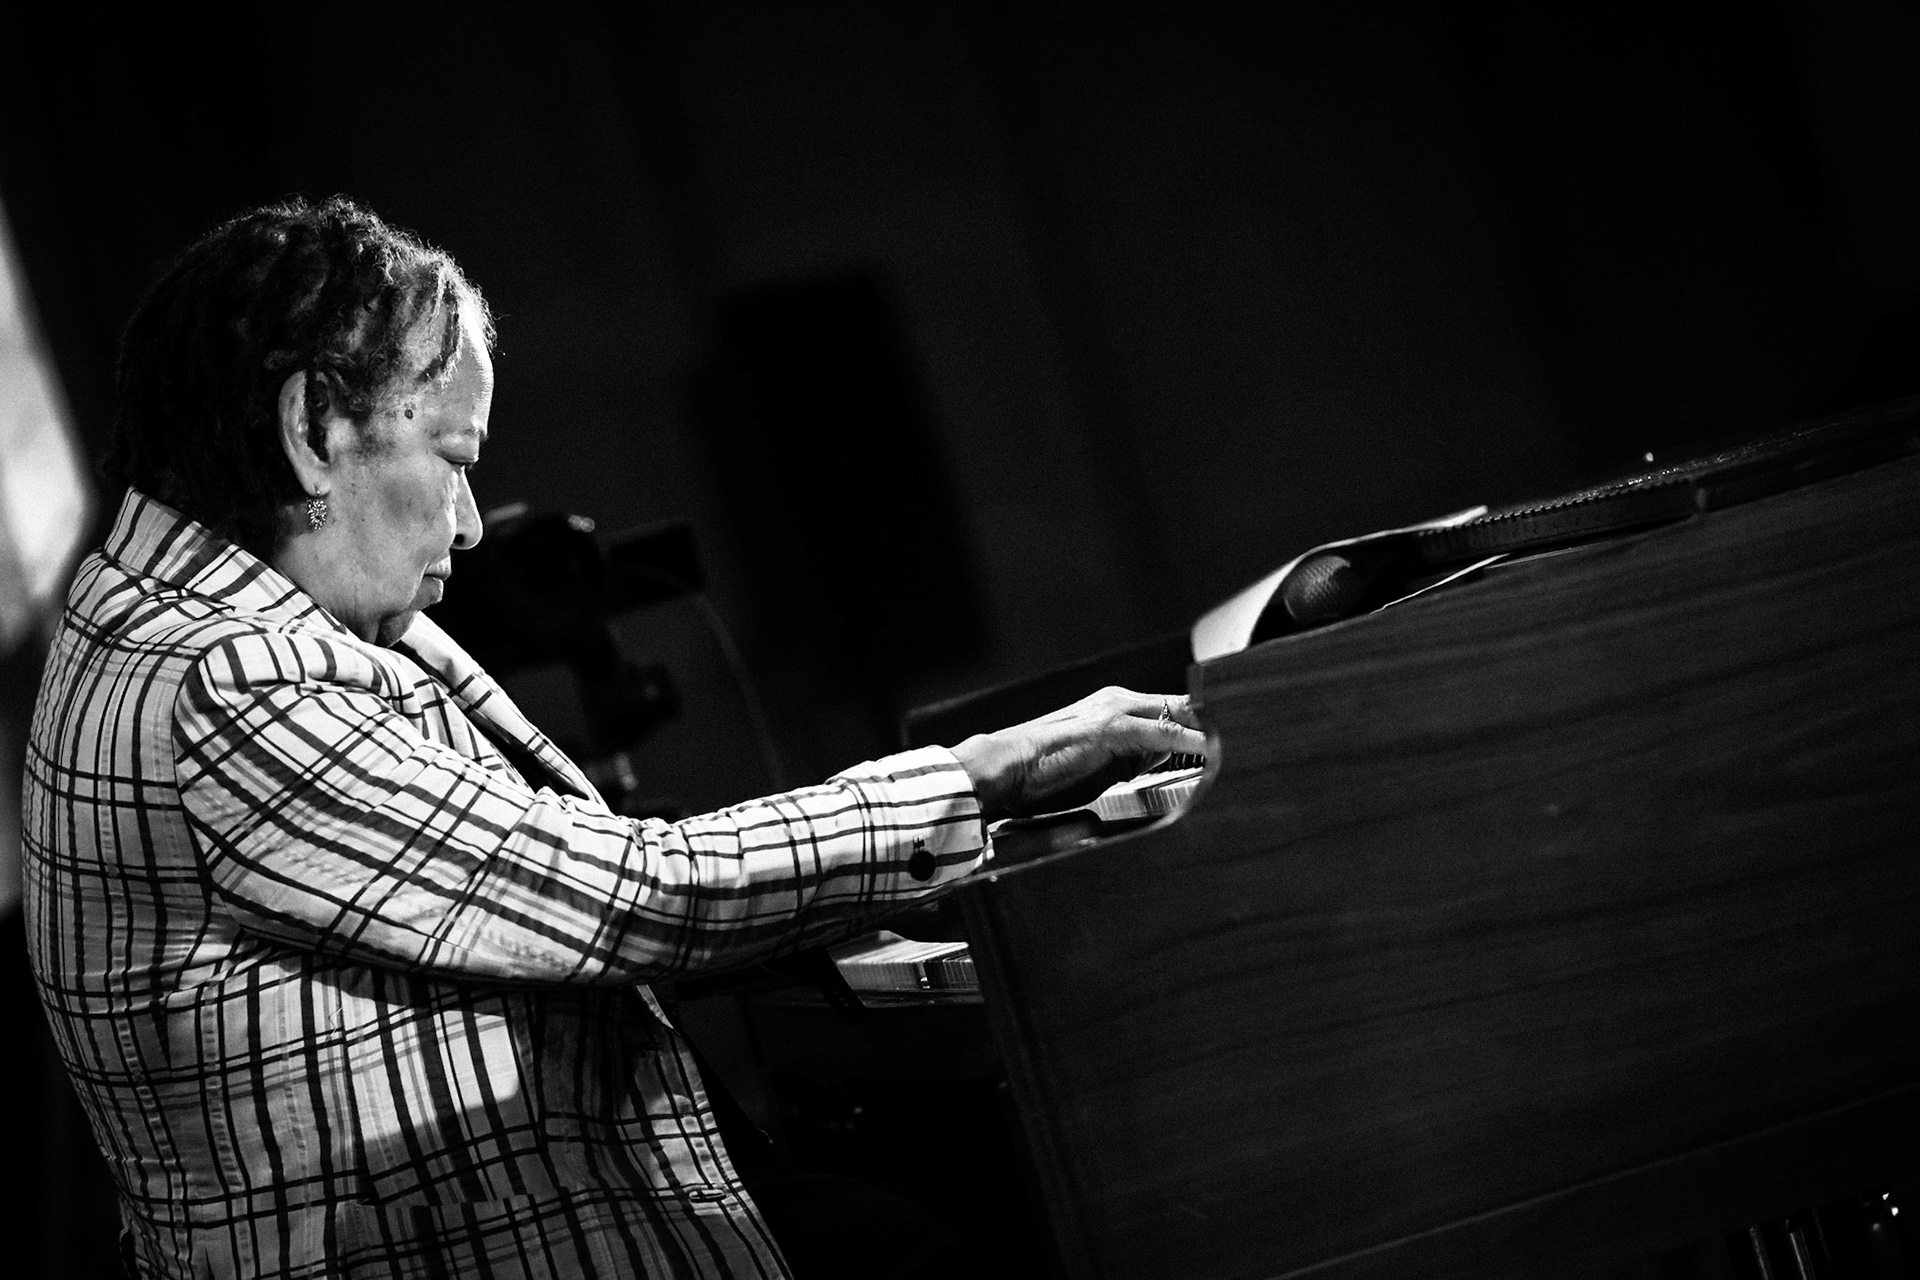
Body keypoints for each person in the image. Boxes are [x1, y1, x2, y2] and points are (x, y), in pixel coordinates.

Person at [22, 195, 1205, 1280]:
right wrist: (970, 778)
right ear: (312, 426)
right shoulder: (225, 677)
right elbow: (627, 896)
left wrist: (909, 864)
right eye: (454, 456)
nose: (475, 525)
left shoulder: (171, 608)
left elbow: (559, 881)